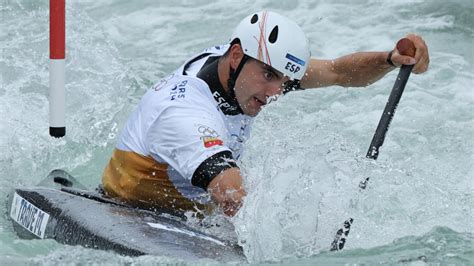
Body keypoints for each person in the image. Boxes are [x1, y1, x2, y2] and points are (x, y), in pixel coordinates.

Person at [101, 10, 430, 217]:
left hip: (190, 210)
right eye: (271, 77)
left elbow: (336, 71)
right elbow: (231, 194)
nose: (277, 92)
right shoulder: (186, 113)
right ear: (235, 56)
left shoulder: (248, 71)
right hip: (131, 211)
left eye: (284, 80)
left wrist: (390, 59)